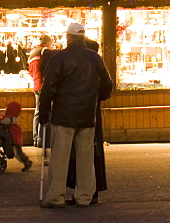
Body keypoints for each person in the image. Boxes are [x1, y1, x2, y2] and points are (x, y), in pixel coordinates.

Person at [39, 21, 113, 209]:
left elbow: (48, 88)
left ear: (68, 37)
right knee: (86, 158)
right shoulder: (95, 59)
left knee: (60, 158)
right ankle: (84, 196)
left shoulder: (59, 58)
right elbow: (107, 87)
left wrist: (44, 112)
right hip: (87, 115)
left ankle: (56, 196)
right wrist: (94, 98)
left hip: (64, 114)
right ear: (83, 37)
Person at [65, 34, 107, 205]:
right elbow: (107, 88)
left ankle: (81, 191)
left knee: (78, 153)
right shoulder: (97, 65)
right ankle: (92, 191)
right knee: (93, 152)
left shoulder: (75, 67)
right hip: (92, 112)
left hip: (76, 113)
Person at [29, 34, 55, 146]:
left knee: (38, 111)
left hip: (36, 84)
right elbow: (47, 69)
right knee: (44, 111)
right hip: (43, 85)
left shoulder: (33, 53)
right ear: (48, 43)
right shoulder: (45, 52)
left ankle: (36, 138)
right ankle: (42, 139)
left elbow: (30, 71)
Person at [0, 101, 32, 170]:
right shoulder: (12, 118)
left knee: (18, 153)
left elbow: (2, 122)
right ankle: (26, 161)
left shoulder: (10, 118)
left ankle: (27, 162)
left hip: (14, 138)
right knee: (18, 152)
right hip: (15, 138)